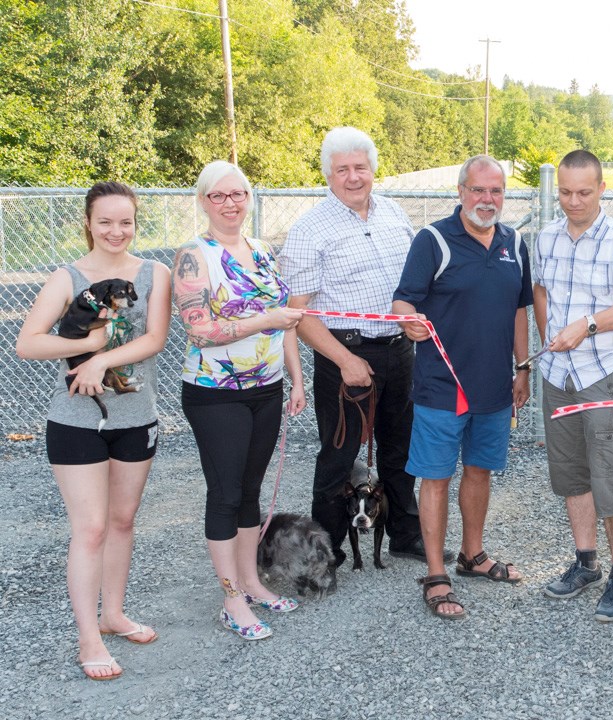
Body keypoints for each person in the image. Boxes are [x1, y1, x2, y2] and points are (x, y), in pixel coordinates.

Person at [16, 182, 172, 680]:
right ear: (88, 222)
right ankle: (88, 637)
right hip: (75, 421)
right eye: (105, 221)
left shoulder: (155, 273)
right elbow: (27, 344)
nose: (115, 231)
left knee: (122, 521)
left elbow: (155, 338)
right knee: (90, 528)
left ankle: (113, 614)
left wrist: (101, 359)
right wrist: (83, 348)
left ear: (136, 222)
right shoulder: (67, 278)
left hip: (136, 418)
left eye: (125, 221)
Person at [391, 156, 533, 619]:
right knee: (436, 478)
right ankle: (436, 574)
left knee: (479, 470)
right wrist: (407, 321)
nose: (486, 200)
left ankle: (473, 556)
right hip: (443, 386)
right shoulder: (432, 240)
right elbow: (403, 300)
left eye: (496, 191)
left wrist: (523, 368)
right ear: (460, 191)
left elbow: (519, 309)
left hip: (494, 387)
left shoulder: (514, 242)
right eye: (478, 190)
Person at [280, 127, 426, 567]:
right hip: (343, 354)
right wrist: (345, 360)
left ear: (373, 170)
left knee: (400, 449)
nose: (353, 177)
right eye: (342, 169)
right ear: (328, 175)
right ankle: (325, 551)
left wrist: (414, 320)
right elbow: (298, 312)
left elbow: (413, 286)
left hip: (399, 350)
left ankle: (405, 534)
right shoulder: (309, 229)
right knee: (339, 456)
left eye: (360, 167)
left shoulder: (395, 215)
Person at [174, 160, 307, 641]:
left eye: (238, 194)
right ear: (204, 201)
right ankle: (231, 599)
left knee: (251, 491)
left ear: (249, 198)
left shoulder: (263, 250)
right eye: (218, 195)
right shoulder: (194, 255)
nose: (230, 203)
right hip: (216, 393)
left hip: (267, 389)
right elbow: (199, 330)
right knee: (225, 494)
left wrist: (296, 379)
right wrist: (264, 320)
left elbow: (285, 320)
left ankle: (251, 582)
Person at [535, 149, 613, 623]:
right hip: (558, 376)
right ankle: (586, 563)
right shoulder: (546, 237)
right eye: (565, 192)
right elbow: (540, 290)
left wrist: (587, 326)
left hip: (603, 375)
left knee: (609, 478)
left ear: (602, 189)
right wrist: (548, 339)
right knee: (571, 476)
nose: (573, 201)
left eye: (584, 192)